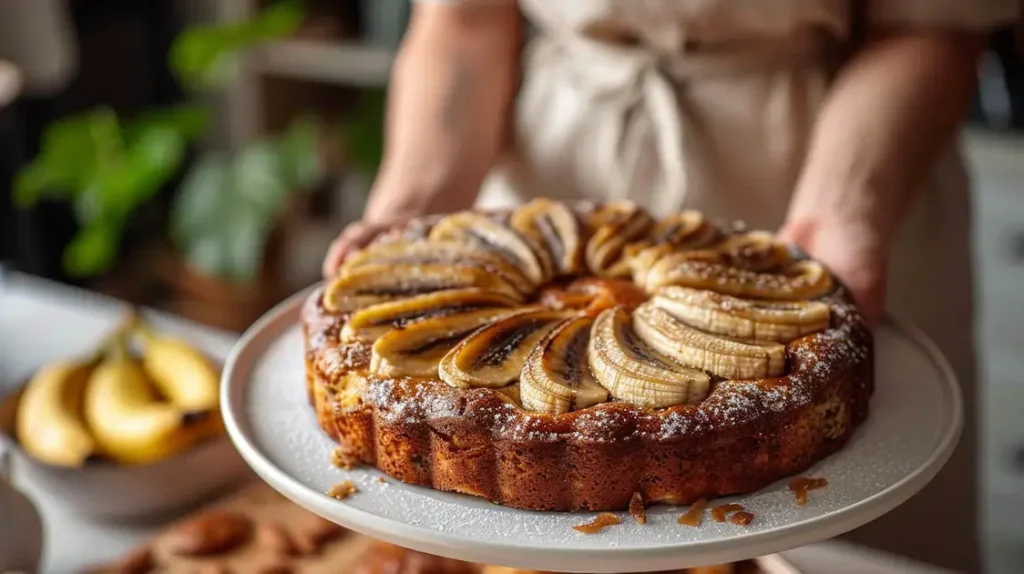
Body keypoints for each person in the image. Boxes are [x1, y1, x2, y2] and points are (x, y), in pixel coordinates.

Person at [322, 1, 1020, 570]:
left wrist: (842, 216)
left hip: (834, 171)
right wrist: (412, 213)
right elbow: (465, 19)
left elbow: (931, 25)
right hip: (536, 220)